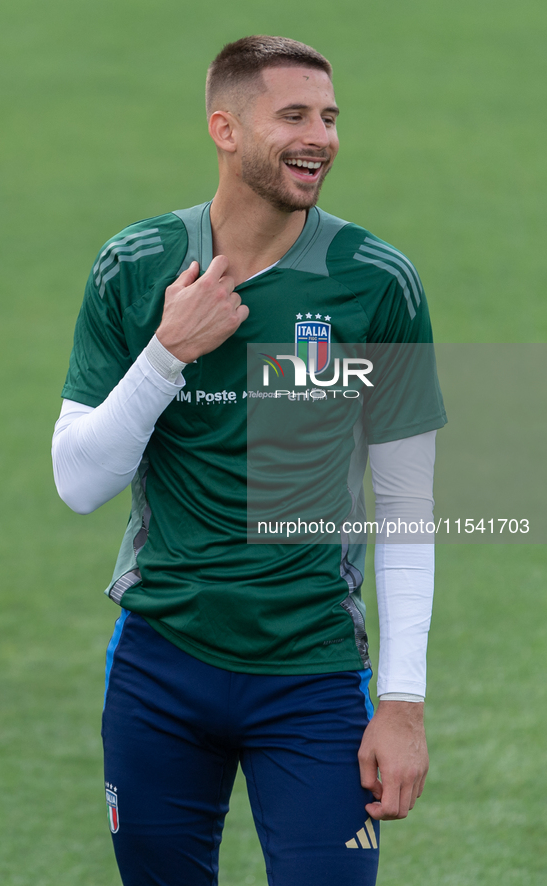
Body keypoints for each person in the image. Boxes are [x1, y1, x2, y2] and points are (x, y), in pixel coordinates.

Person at [52, 35, 446, 886]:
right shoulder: (136, 267)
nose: (321, 137)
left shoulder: (374, 283)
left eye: (331, 118)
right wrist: (166, 353)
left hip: (312, 676)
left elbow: (409, 503)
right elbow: (79, 482)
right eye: (294, 116)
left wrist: (403, 704)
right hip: (162, 665)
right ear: (224, 128)